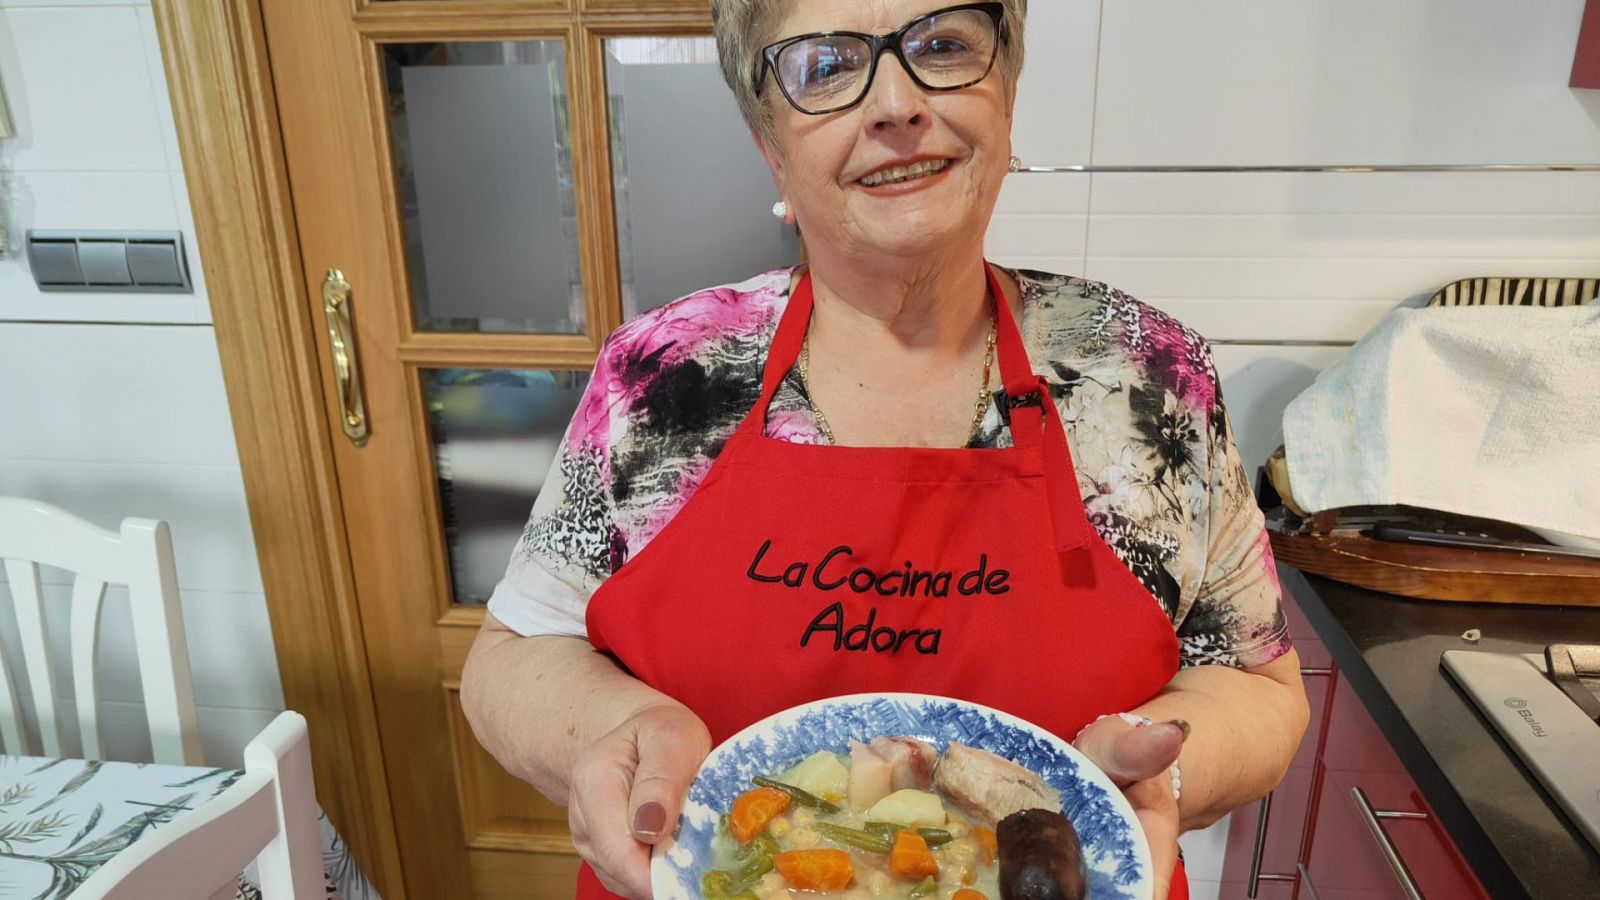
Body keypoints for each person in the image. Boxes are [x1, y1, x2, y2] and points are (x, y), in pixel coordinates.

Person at [461, 1, 1309, 897]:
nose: (896, 103)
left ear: (1007, 93)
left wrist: (1148, 777)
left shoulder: (1146, 377)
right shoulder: (666, 375)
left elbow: (1257, 687)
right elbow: (514, 655)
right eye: (825, 67)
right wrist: (619, 722)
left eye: (943, 46)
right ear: (771, 143)